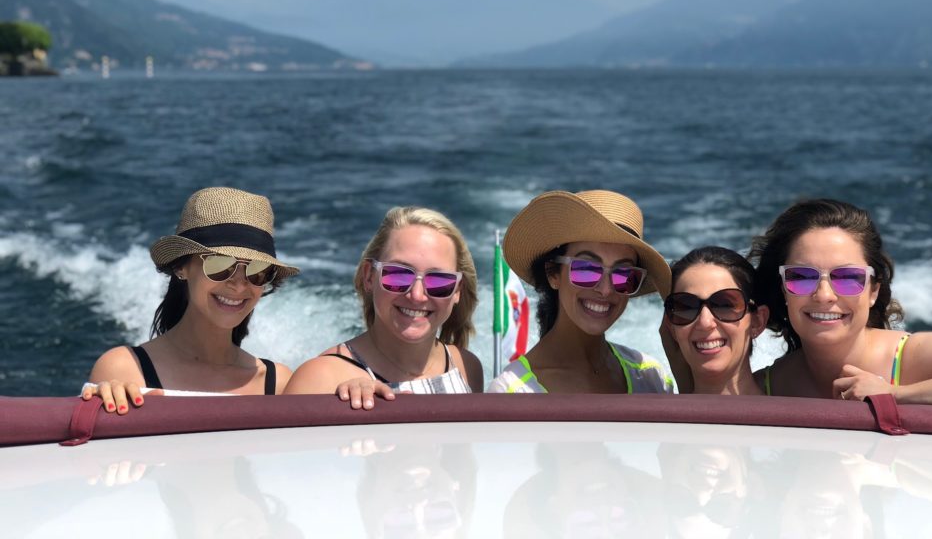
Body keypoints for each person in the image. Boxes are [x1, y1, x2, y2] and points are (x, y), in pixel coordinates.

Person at [752, 197, 932, 414]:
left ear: (873, 291)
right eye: (801, 277)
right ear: (782, 289)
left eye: (848, 278)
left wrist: (896, 395)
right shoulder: (765, 386)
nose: (824, 295)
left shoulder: (911, 359)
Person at [84, 187, 299, 412]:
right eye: (219, 263)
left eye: (257, 269)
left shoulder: (280, 384)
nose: (239, 283)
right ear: (181, 266)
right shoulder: (124, 370)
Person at [284, 206, 483, 407]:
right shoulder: (319, 381)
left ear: (457, 290)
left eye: (439, 281)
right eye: (399, 274)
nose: (417, 295)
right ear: (369, 276)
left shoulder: (467, 368)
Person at [487, 189, 674, 394]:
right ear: (553, 274)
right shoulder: (511, 391)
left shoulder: (651, 377)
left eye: (624, 274)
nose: (605, 289)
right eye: (586, 269)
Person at [663, 246, 769, 395]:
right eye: (687, 306)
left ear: (758, 321)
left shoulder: (792, 416)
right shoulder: (651, 416)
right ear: (671, 327)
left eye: (725, 305)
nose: (705, 323)